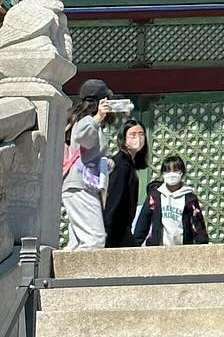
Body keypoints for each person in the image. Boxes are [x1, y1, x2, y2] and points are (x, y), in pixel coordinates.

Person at [62, 79, 116, 251]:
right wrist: (98, 117)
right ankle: (83, 277)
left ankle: (65, 276)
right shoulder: (86, 120)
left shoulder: (80, 120)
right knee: (95, 238)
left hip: (77, 185)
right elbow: (84, 138)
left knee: (78, 241)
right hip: (80, 186)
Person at [135, 155, 209, 247]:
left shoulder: (190, 198)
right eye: (167, 170)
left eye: (176, 170)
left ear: (182, 172)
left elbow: (198, 225)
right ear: (163, 173)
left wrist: (202, 245)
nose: (172, 174)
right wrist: (136, 245)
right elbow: (143, 223)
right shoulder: (154, 196)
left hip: (182, 249)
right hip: (157, 248)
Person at [103, 119, 149, 248]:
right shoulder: (121, 164)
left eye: (141, 134)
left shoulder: (131, 164)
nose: (138, 138)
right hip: (116, 229)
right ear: (124, 139)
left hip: (123, 228)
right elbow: (115, 197)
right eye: (133, 134)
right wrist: (107, 227)